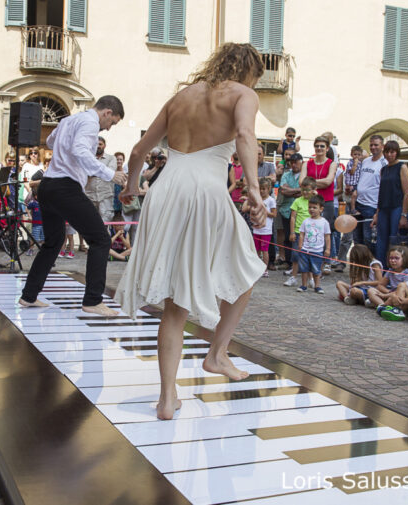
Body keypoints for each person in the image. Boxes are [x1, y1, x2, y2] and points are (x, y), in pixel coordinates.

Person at [114, 43, 267, 420]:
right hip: (204, 191)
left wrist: (132, 186)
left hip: (165, 190)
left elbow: (137, 151)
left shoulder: (181, 97)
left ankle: (167, 399)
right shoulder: (242, 94)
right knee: (247, 266)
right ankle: (217, 354)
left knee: (174, 302)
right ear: (249, 71)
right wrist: (253, 187)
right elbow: (246, 136)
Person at [19, 95, 128, 315]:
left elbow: (50, 142)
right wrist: (109, 174)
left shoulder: (69, 120)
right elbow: (80, 151)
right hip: (64, 187)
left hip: (48, 186)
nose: (107, 129)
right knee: (100, 239)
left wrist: (65, 147)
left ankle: (29, 296)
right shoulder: (90, 123)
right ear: (107, 113)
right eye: (112, 122)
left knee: (54, 241)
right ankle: (93, 301)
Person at [372, 140, 408, 266]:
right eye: (387, 152)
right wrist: (377, 213)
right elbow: (381, 193)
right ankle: (381, 268)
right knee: (381, 241)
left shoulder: (402, 167)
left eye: (392, 152)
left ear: (397, 152)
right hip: (383, 208)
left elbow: (407, 192)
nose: (389, 155)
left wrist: (404, 215)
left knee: (394, 239)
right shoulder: (383, 169)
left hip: (396, 207)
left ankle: (395, 269)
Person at [300, 136, 337, 266]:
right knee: (310, 230)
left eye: (322, 146)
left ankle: (326, 261)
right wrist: (312, 185)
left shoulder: (332, 163)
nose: (319, 148)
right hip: (309, 202)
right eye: (317, 146)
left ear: (327, 148)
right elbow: (301, 182)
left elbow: (328, 181)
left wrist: (309, 183)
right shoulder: (307, 163)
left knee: (326, 231)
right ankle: (310, 261)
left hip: (326, 202)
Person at [354, 135, 387, 247]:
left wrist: (378, 212)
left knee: (368, 239)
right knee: (357, 238)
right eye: (371, 145)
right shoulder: (366, 161)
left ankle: (369, 264)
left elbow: (384, 187)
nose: (373, 147)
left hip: (372, 206)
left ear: (382, 146)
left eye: (376, 145)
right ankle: (359, 263)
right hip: (359, 204)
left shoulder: (384, 163)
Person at [285, 177, 317, 287]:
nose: (305, 192)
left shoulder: (314, 201)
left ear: (313, 190)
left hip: (310, 234)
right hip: (298, 232)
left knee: (310, 255)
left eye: (308, 190)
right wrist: (292, 232)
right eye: (303, 190)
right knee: (295, 255)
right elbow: (293, 217)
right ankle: (293, 277)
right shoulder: (297, 201)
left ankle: (311, 278)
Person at [296, 195, 331, 294]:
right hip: (305, 250)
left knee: (316, 270)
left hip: (317, 251)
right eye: (310, 207)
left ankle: (317, 286)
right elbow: (302, 234)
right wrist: (300, 245)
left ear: (321, 209)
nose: (311, 209)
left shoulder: (324, 222)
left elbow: (327, 236)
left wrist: (327, 249)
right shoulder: (306, 221)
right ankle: (304, 285)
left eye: (314, 207)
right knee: (304, 269)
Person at [243, 177, 276, 277]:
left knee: (265, 250)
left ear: (269, 189)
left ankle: (265, 269)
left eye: (264, 189)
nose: (261, 191)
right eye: (260, 188)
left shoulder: (271, 200)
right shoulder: (257, 199)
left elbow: (274, 214)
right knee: (256, 250)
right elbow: (246, 209)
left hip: (266, 230)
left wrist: (265, 212)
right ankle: (257, 268)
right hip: (256, 228)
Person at [366, 245, 408, 309]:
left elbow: (403, 290)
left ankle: (384, 307)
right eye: (391, 258)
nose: (393, 261)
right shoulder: (390, 271)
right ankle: (384, 307)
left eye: (396, 258)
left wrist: (385, 295)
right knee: (371, 290)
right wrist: (388, 292)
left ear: (404, 259)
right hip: (390, 294)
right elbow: (380, 285)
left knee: (393, 297)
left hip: (401, 296)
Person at [85, 136, 117, 223]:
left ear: (104, 146)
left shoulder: (111, 158)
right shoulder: (88, 158)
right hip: (89, 196)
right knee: (88, 223)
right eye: (96, 144)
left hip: (105, 196)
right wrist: (103, 171)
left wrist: (93, 172)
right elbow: (85, 172)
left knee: (104, 224)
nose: (98, 146)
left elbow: (109, 172)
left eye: (100, 144)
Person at [278, 153, 302, 270]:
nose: (294, 164)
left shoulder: (304, 176)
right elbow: (283, 190)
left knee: (299, 237)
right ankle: (288, 262)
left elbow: (304, 192)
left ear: (301, 162)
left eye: (296, 162)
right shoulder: (286, 175)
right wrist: (297, 190)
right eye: (292, 162)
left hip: (301, 211)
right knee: (288, 236)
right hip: (286, 210)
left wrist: (291, 190)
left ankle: (298, 264)